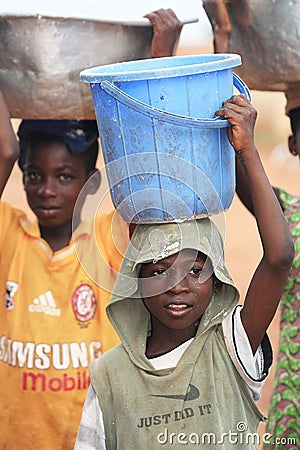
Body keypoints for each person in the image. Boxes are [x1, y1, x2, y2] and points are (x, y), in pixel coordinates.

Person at [0, 9, 183, 450]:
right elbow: (5, 149)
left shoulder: (107, 240)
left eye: (65, 176)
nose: (46, 190)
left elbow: (147, 172)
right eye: (34, 175)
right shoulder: (7, 237)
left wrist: (158, 58)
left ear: (92, 181)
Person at [74, 94, 294, 449]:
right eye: (160, 269)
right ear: (137, 279)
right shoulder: (109, 376)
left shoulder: (231, 346)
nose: (178, 286)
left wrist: (247, 150)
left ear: (217, 277)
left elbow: (279, 257)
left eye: (195, 269)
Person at [236, 98, 300, 449]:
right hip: (295, 398)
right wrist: (242, 146)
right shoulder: (290, 218)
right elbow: (245, 184)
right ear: (293, 144)